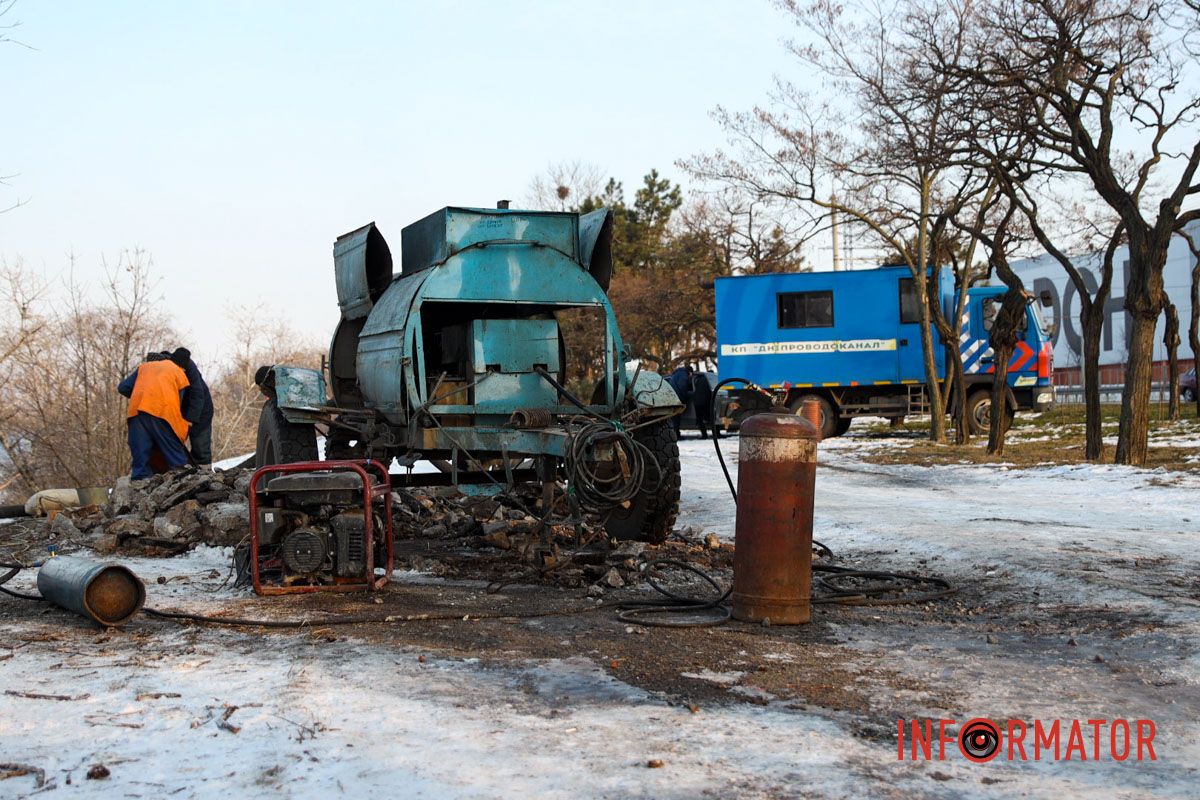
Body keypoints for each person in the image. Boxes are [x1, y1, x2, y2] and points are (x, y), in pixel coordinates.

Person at [118, 352, 192, 480]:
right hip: (162, 412)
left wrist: (143, 395)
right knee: (174, 454)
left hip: (137, 413)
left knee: (140, 458)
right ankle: (183, 479)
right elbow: (178, 403)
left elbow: (123, 387)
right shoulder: (177, 370)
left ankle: (140, 488)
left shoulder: (144, 367)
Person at [170, 347, 214, 470]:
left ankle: (205, 472)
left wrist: (190, 419)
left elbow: (197, 395)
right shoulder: (169, 366)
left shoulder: (191, 370)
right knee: (173, 443)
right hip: (180, 410)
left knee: (200, 445)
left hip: (201, 411)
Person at [665, 365, 694, 437]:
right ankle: (676, 434)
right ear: (690, 372)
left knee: (674, 417)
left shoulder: (676, 374)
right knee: (676, 417)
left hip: (672, 396)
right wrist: (688, 395)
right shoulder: (684, 375)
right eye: (691, 374)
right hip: (678, 397)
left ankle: (675, 433)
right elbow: (682, 387)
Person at [691, 370, 715, 440]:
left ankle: (704, 435)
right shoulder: (709, 380)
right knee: (711, 419)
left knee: (700, 419)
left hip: (696, 402)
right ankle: (716, 434)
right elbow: (710, 391)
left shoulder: (698, 379)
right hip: (705, 402)